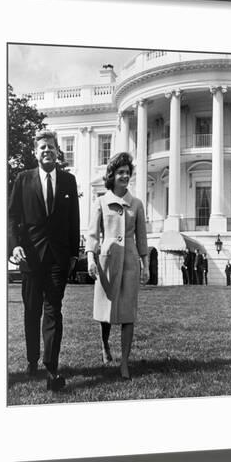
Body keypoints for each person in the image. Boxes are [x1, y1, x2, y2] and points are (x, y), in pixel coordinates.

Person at [8, 130, 80, 391]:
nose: (46, 150)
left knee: (53, 311)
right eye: (42, 148)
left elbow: (74, 219)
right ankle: (32, 360)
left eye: (50, 147)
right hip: (30, 258)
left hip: (58, 259)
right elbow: (12, 216)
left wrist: (74, 253)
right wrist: (14, 246)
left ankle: (51, 367)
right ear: (35, 152)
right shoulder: (22, 180)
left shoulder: (68, 181)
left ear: (57, 151)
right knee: (32, 311)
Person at [86, 152, 149, 380]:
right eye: (120, 172)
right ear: (111, 175)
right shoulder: (101, 202)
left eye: (127, 172)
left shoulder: (137, 204)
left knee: (128, 313)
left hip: (131, 262)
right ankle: (104, 346)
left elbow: (143, 238)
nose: (124, 176)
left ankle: (124, 362)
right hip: (108, 262)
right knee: (105, 312)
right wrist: (91, 259)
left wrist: (146, 264)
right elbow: (92, 234)